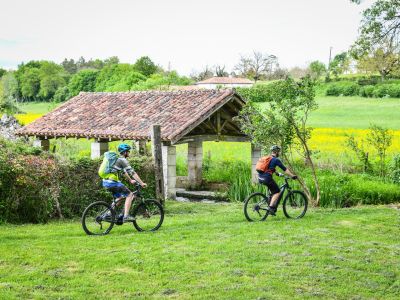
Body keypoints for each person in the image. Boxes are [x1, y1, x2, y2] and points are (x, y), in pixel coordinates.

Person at [101, 143, 147, 222]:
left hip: (105, 182)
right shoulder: (122, 160)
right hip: (112, 183)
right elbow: (132, 173)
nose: (129, 153)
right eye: (128, 151)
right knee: (130, 195)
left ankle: (108, 214)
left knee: (120, 198)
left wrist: (130, 180)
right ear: (125, 152)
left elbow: (123, 172)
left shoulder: (117, 160)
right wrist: (142, 183)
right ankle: (126, 216)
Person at [257, 145, 297, 215]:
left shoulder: (268, 158)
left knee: (272, 192)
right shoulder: (276, 160)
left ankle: (270, 203)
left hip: (260, 177)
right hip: (267, 178)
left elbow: (270, 168)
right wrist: (292, 175)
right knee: (277, 192)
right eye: (279, 151)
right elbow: (285, 169)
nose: (279, 153)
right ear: (276, 152)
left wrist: (277, 173)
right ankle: (271, 208)